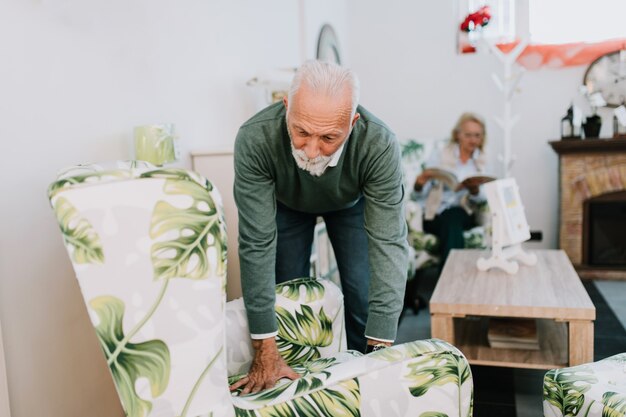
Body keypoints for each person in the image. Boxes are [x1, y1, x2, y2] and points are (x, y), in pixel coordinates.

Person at [230, 60, 408, 394]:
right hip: (287, 205)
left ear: (352, 124)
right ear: (287, 107)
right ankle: (290, 373)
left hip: (351, 205)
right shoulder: (255, 138)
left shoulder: (379, 143)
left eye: (328, 137)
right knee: (288, 295)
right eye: (301, 132)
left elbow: (389, 242)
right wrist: (263, 349)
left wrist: (379, 358)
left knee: (362, 291)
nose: (312, 151)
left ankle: (359, 370)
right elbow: (256, 243)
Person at [412, 112, 489, 265]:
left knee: (453, 217)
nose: (473, 140)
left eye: (477, 135)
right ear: (458, 135)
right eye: (468, 135)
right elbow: (418, 196)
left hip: (465, 213)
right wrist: (420, 182)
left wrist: (475, 191)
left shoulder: (482, 160)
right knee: (450, 222)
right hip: (434, 215)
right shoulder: (440, 155)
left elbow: (484, 199)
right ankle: (454, 277)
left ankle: (447, 278)